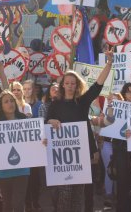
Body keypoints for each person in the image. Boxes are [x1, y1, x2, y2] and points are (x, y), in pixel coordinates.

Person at [47, 49, 114, 212]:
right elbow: (45, 123)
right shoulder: (55, 104)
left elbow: (97, 85)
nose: (70, 86)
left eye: (73, 83)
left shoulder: (82, 102)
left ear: (77, 85)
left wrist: (109, 63)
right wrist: (51, 121)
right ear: (63, 85)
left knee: (78, 196)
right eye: (67, 83)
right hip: (62, 158)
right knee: (64, 194)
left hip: (83, 153)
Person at [0, 90, 30, 212]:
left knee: (19, 204)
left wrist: (42, 142)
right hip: (4, 171)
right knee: (7, 205)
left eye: (12, 100)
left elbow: (35, 140)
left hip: (22, 170)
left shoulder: (25, 120)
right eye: (6, 101)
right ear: (1, 106)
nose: (10, 103)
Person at [112, 83, 131, 212]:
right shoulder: (117, 108)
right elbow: (108, 122)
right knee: (122, 181)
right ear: (124, 93)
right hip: (121, 149)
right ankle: (122, 208)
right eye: (129, 92)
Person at [23, 80, 43, 211]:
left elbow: (43, 122)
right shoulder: (19, 105)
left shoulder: (40, 105)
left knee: (36, 176)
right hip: (23, 147)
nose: (26, 91)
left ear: (33, 90)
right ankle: (27, 202)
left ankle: (35, 200)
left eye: (29, 89)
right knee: (25, 177)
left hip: (36, 146)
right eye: (24, 89)